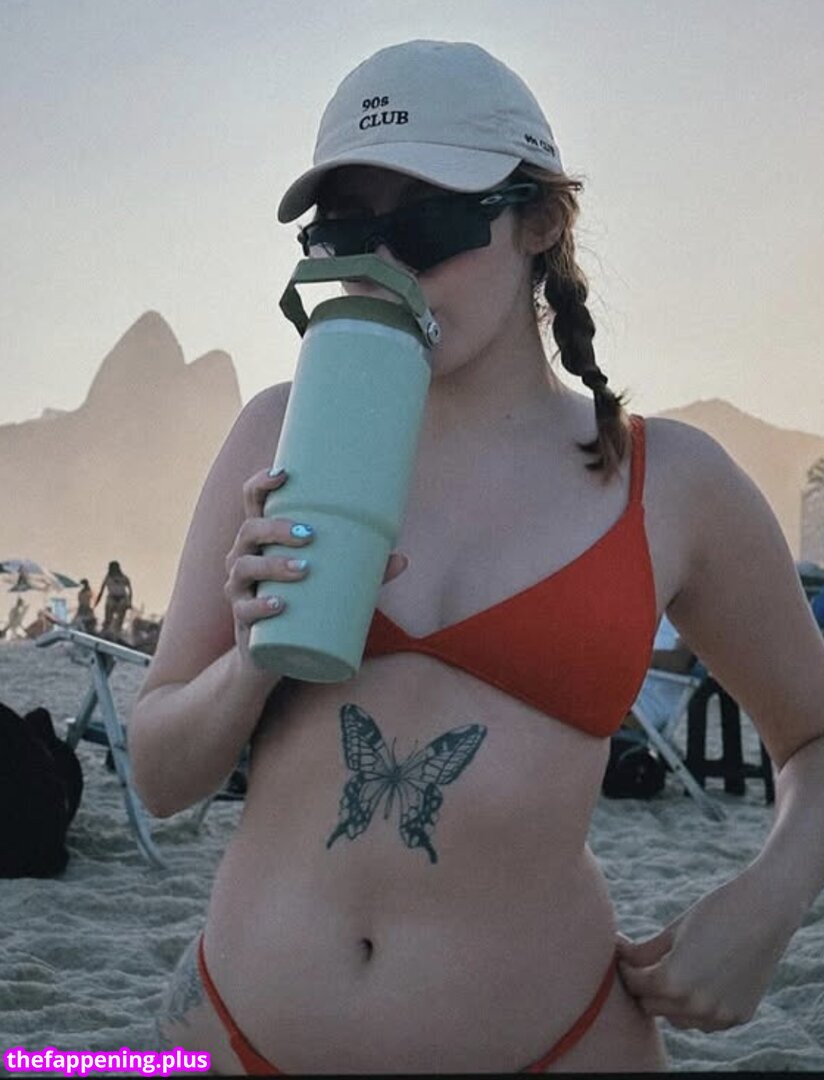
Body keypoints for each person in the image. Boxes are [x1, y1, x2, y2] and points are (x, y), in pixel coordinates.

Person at [130, 40, 824, 1073]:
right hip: (228, 1035)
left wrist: (768, 901)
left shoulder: (670, 482)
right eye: (345, 232)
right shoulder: (279, 431)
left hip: (555, 1043)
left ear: (540, 222)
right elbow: (158, 775)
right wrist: (248, 663)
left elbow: (813, 737)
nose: (381, 265)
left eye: (426, 225)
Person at [94, 561, 132, 639]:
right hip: (112, 598)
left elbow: (130, 591)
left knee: (120, 619)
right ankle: (105, 631)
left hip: (122, 598)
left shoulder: (124, 578)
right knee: (108, 617)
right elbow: (101, 591)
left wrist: (129, 602)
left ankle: (117, 634)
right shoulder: (108, 578)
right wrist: (96, 602)